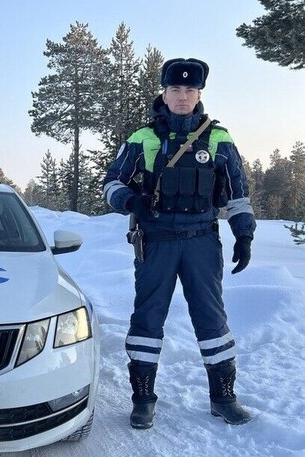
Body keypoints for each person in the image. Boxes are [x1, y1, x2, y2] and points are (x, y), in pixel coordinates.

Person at [102, 57, 255, 429]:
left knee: (211, 318)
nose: (182, 96)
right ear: (164, 93)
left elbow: (237, 192)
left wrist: (244, 233)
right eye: (175, 89)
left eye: (189, 89)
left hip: (202, 242)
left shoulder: (219, 138)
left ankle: (223, 397)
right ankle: (143, 399)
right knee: (147, 318)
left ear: (199, 92)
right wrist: (130, 201)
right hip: (156, 243)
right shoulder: (142, 138)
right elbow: (111, 184)